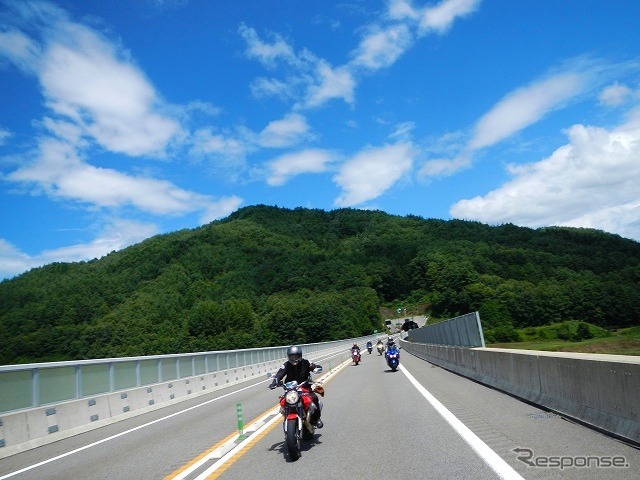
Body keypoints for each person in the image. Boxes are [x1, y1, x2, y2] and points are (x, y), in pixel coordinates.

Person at [269, 346, 323, 428]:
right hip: (290, 389)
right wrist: (275, 382)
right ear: (288, 356)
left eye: (296, 356)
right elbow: (279, 374)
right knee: (284, 401)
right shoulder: (286, 365)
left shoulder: (305, 362)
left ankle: (317, 419)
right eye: (292, 356)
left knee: (314, 398)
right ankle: (287, 414)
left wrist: (317, 368)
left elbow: (314, 366)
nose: (294, 358)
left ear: (300, 356)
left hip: (304, 387)